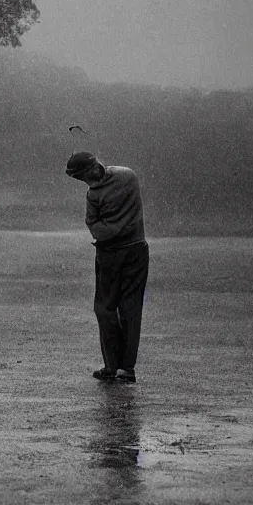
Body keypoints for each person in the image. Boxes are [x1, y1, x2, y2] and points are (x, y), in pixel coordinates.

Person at [65, 152, 147, 384]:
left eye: (81, 176)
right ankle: (125, 369)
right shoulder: (127, 175)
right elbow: (108, 223)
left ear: (89, 169)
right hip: (137, 248)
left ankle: (113, 366)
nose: (83, 181)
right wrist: (114, 229)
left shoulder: (93, 194)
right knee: (131, 308)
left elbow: (93, 225)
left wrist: (107, 232)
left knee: (105, 308)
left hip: (111, 253)